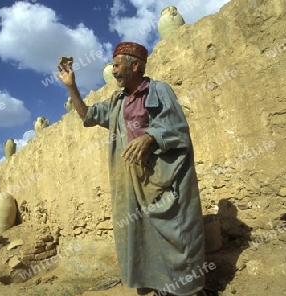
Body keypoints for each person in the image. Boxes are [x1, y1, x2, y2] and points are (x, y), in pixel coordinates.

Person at [57, 41, 206, 296]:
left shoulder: (159, 90)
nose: (113, 71)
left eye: (117, 65)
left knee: (176, 233)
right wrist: (71, 87)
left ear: (135, 66)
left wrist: (149, 138)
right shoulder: (117, 101)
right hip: (131, 180)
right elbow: (88, 115)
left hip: (161, 179)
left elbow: (178, 128)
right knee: (143, 235)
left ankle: (188, 290)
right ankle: (160, 286)